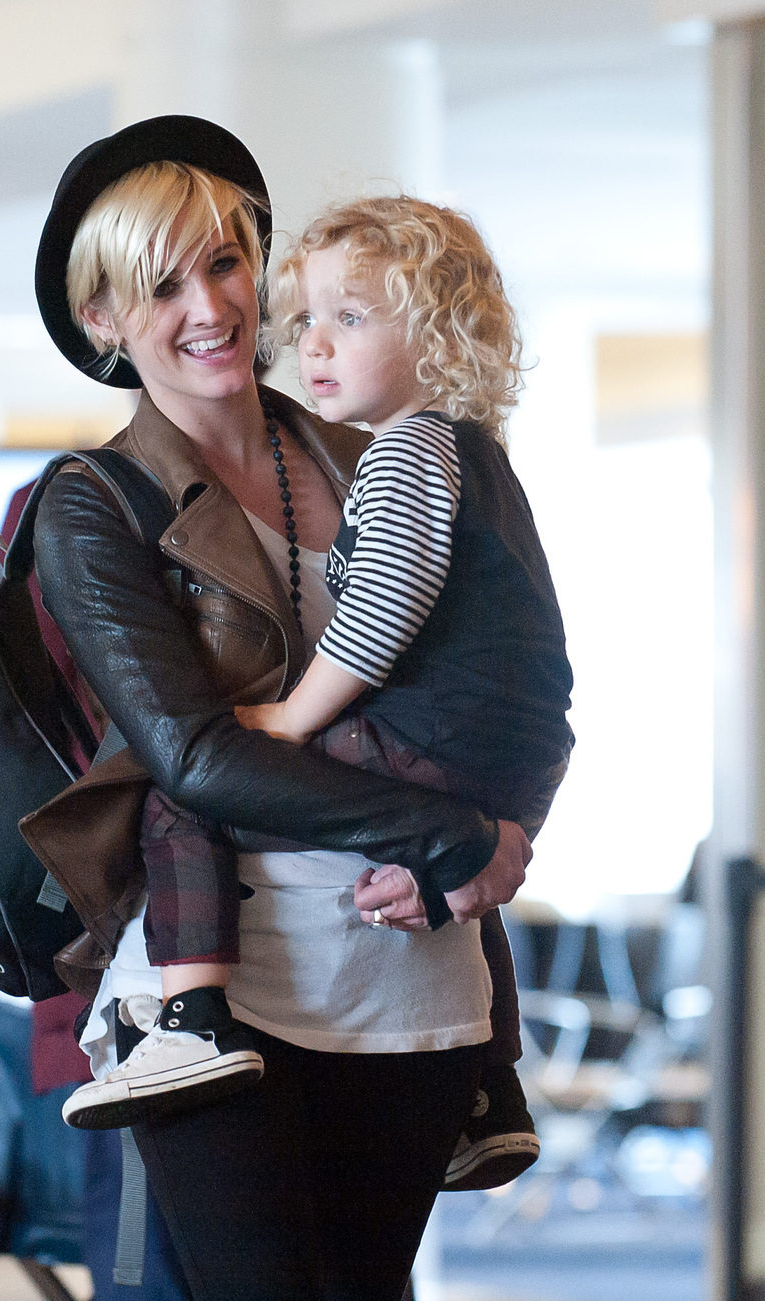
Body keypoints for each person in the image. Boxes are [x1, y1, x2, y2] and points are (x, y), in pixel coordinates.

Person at [27, 112, 532, 1301]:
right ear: (102, 323)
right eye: (159, 284)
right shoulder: (95, 505)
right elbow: (194, 754)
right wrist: (442, 833)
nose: (209, 306)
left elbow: (501, 669)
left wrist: (513, 825)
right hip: (219, 991)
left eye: (225, 261)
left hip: (406, 989)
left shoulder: (384, 447)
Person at [61, 194, 573, 1181]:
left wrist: (292, 717)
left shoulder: (390, 453)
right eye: (308, 321)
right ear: (105, 321)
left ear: (432, 333)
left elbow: (373, 618)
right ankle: (490, 1082)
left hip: (388, 976)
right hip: (471, 793)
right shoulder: (477, 458)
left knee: (186, 790)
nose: (311, 345)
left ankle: (189, 1013)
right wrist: (493, 821)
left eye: (348, 317)